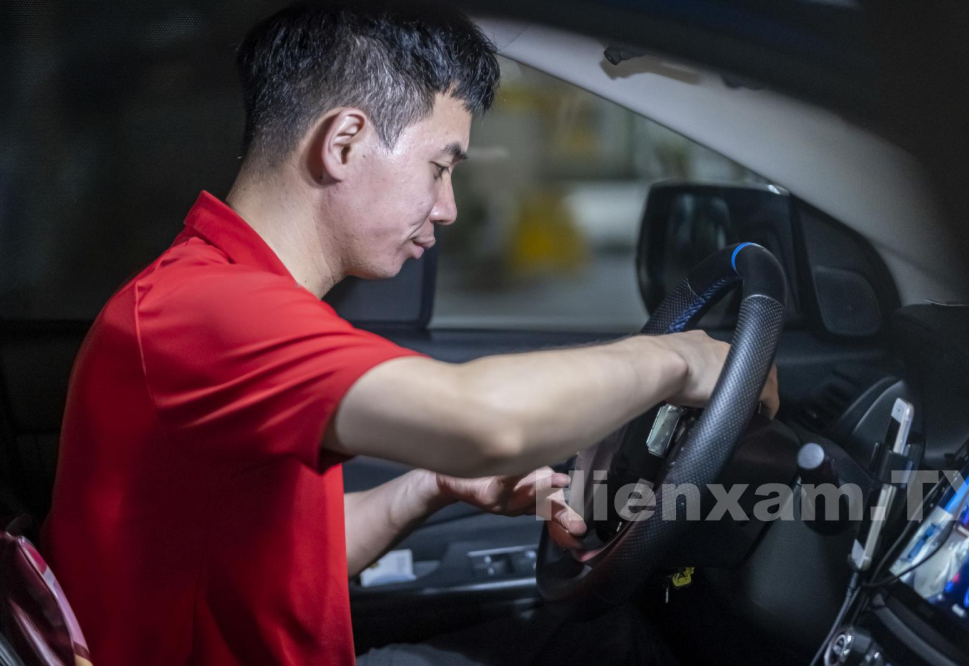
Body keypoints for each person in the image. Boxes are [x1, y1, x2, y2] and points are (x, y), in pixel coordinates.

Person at [40, 2, 779, 665]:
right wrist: (682, 358)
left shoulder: (220, 292)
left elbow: (292, 557)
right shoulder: (209, 312)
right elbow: (481, 419)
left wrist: (430, 488)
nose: (449, 207)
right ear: (345, 142)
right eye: (439, 167)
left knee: (601, 639)